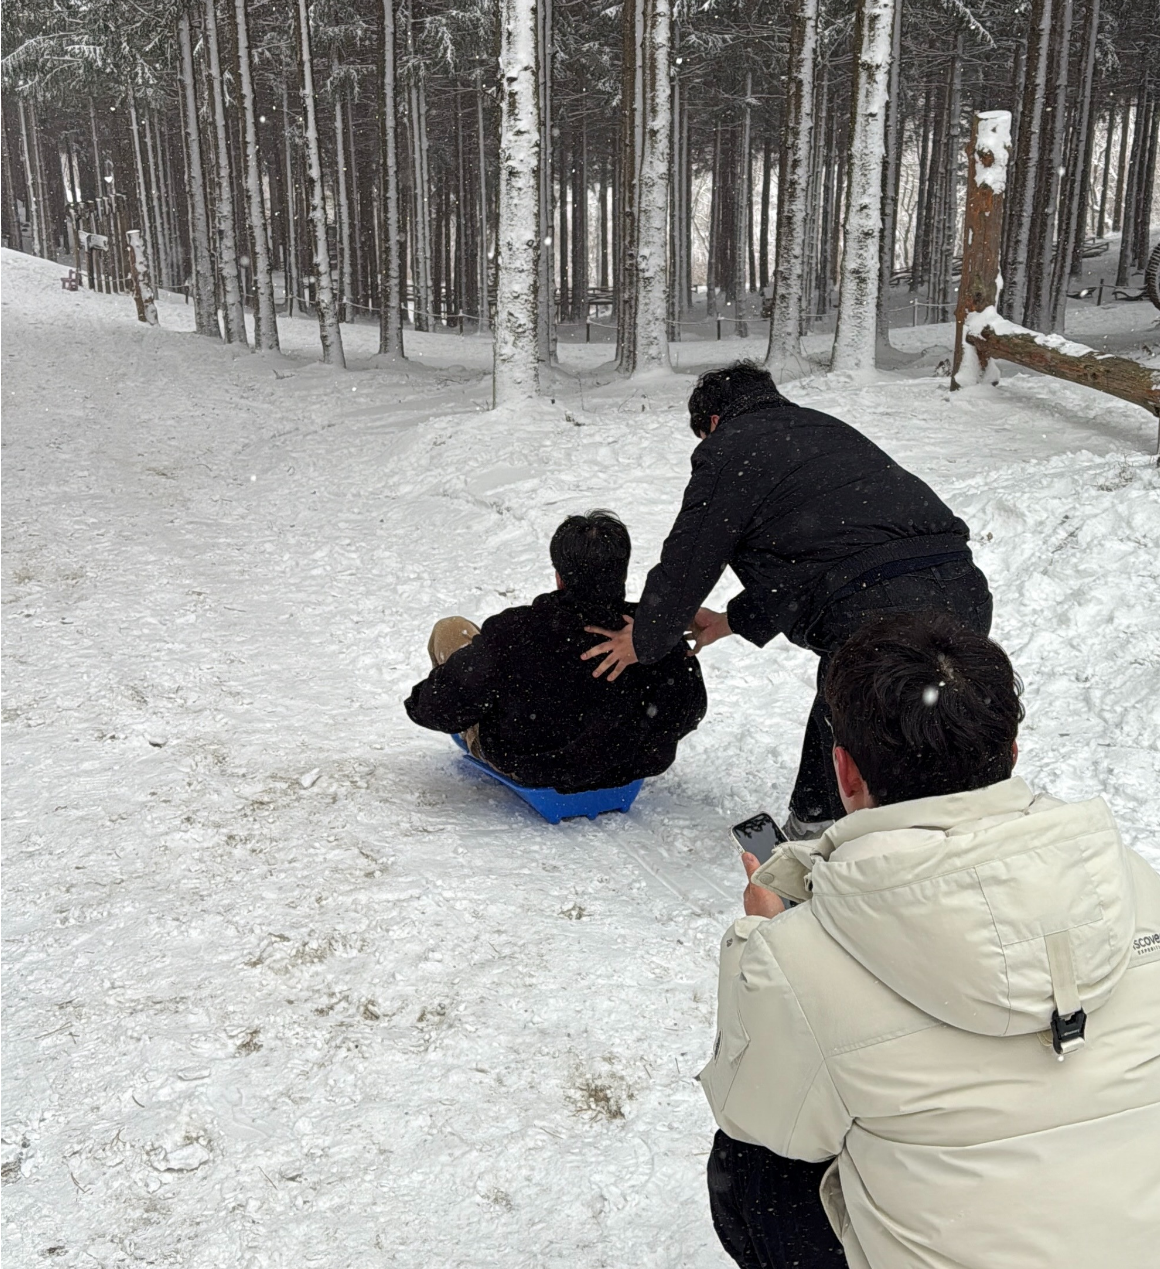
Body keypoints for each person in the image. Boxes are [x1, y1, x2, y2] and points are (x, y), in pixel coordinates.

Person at [700, 613, 1160, 1269]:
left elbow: (755, 1113)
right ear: (1012, 756)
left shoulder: (797, 958)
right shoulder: (1133, 881)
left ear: (845, 773)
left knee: (754, 1161)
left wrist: (762, 943)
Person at [582, 362, 992, 837]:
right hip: (961, 586)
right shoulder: (823, 430)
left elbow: (689, 561)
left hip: (876, 605)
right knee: (929, 706)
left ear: (711, 423)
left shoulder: (730, 447)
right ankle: (944, 824)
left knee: (854, 719)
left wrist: (646, 639)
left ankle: (823, 836)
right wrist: (730, 620)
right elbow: (823, 558)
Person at [404, 511, 706, 793]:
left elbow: (440, 710)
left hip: (532, 767)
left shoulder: (517, 632)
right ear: (622, 572)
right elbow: (691, 713)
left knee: (451, 629)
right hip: (627, 768)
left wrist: (423, 703)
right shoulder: (654, 636)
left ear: (560, 575)